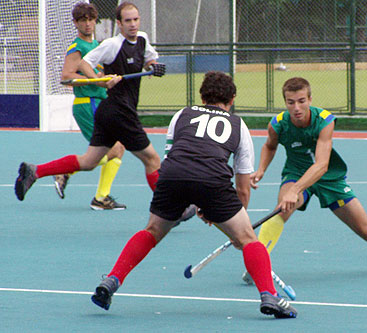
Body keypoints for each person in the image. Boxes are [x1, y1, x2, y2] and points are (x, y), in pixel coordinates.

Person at [90, 71, 297, 319]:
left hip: (172, 177)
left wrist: (199, 202)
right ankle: (269, 295)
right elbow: (242, 187)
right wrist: (233, 223)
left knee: (152, 231)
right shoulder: (237, 125)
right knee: (249, 239)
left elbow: (172, 160)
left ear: (202, 96)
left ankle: (112, 280)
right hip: (212, 181)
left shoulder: (182, 114)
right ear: (232, 99)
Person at [242, 77, 367, 284]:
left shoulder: (325, 121)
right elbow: (270, 146)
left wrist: (295, 190)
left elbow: (321, 165)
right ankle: (258, 266)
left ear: (310, 99)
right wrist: (261, 169)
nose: (296, 107)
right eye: (291, 102)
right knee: (283, 209)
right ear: (285, 102)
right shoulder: (278, 124)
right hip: (296, 172)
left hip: (328, 177)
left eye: (301, 101)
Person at [14, 3, 172, 209]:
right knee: (150, 158)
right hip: (107, 107)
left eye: (135, 20)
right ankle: (169, 209)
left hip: (106, 106)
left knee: (90, 161)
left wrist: (153, 67)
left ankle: (36, 171)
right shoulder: (104, 45)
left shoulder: (140, 40)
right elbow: (74, 71)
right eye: (127, 21)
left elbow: (150, 59)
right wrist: (99, 80)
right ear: (119, 23)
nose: (132, 24)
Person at [54, 2, 126, 210]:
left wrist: (105, 79)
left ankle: (101, 198)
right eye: (82, 20)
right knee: (113, 149)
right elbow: (66, 76)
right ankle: (66, 171)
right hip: (88, 104)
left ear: (96, 21)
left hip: (100, 102)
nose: (87, 24)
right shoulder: (77, 48)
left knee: (118, 149)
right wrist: (94, 80)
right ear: (75, 23)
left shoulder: (98, 47)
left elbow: (97, 76)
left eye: (91, 19)